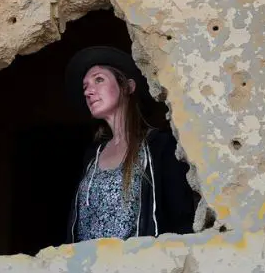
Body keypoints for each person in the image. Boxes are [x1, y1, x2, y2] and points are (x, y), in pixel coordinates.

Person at [65, 45, 202, 242]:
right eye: (85, 86)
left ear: (128, 86)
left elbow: (180, 219)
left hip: (137, 268)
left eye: (99, 80)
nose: (89, 92)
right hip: (88, 269)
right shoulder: (92, 156)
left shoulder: (159, 146)